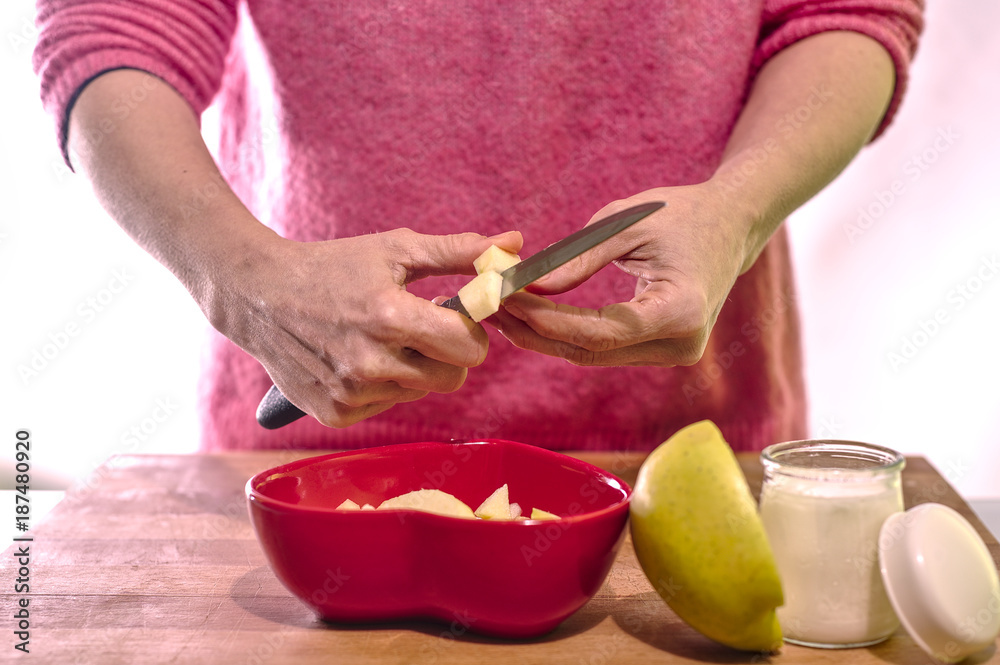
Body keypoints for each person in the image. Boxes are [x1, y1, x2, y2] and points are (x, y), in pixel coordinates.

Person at [33, 2, 923, 453]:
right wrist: (242, 279)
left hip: (681, 456)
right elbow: (113, 32)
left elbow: (840, 13)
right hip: (312, 455)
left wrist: (738, 208)